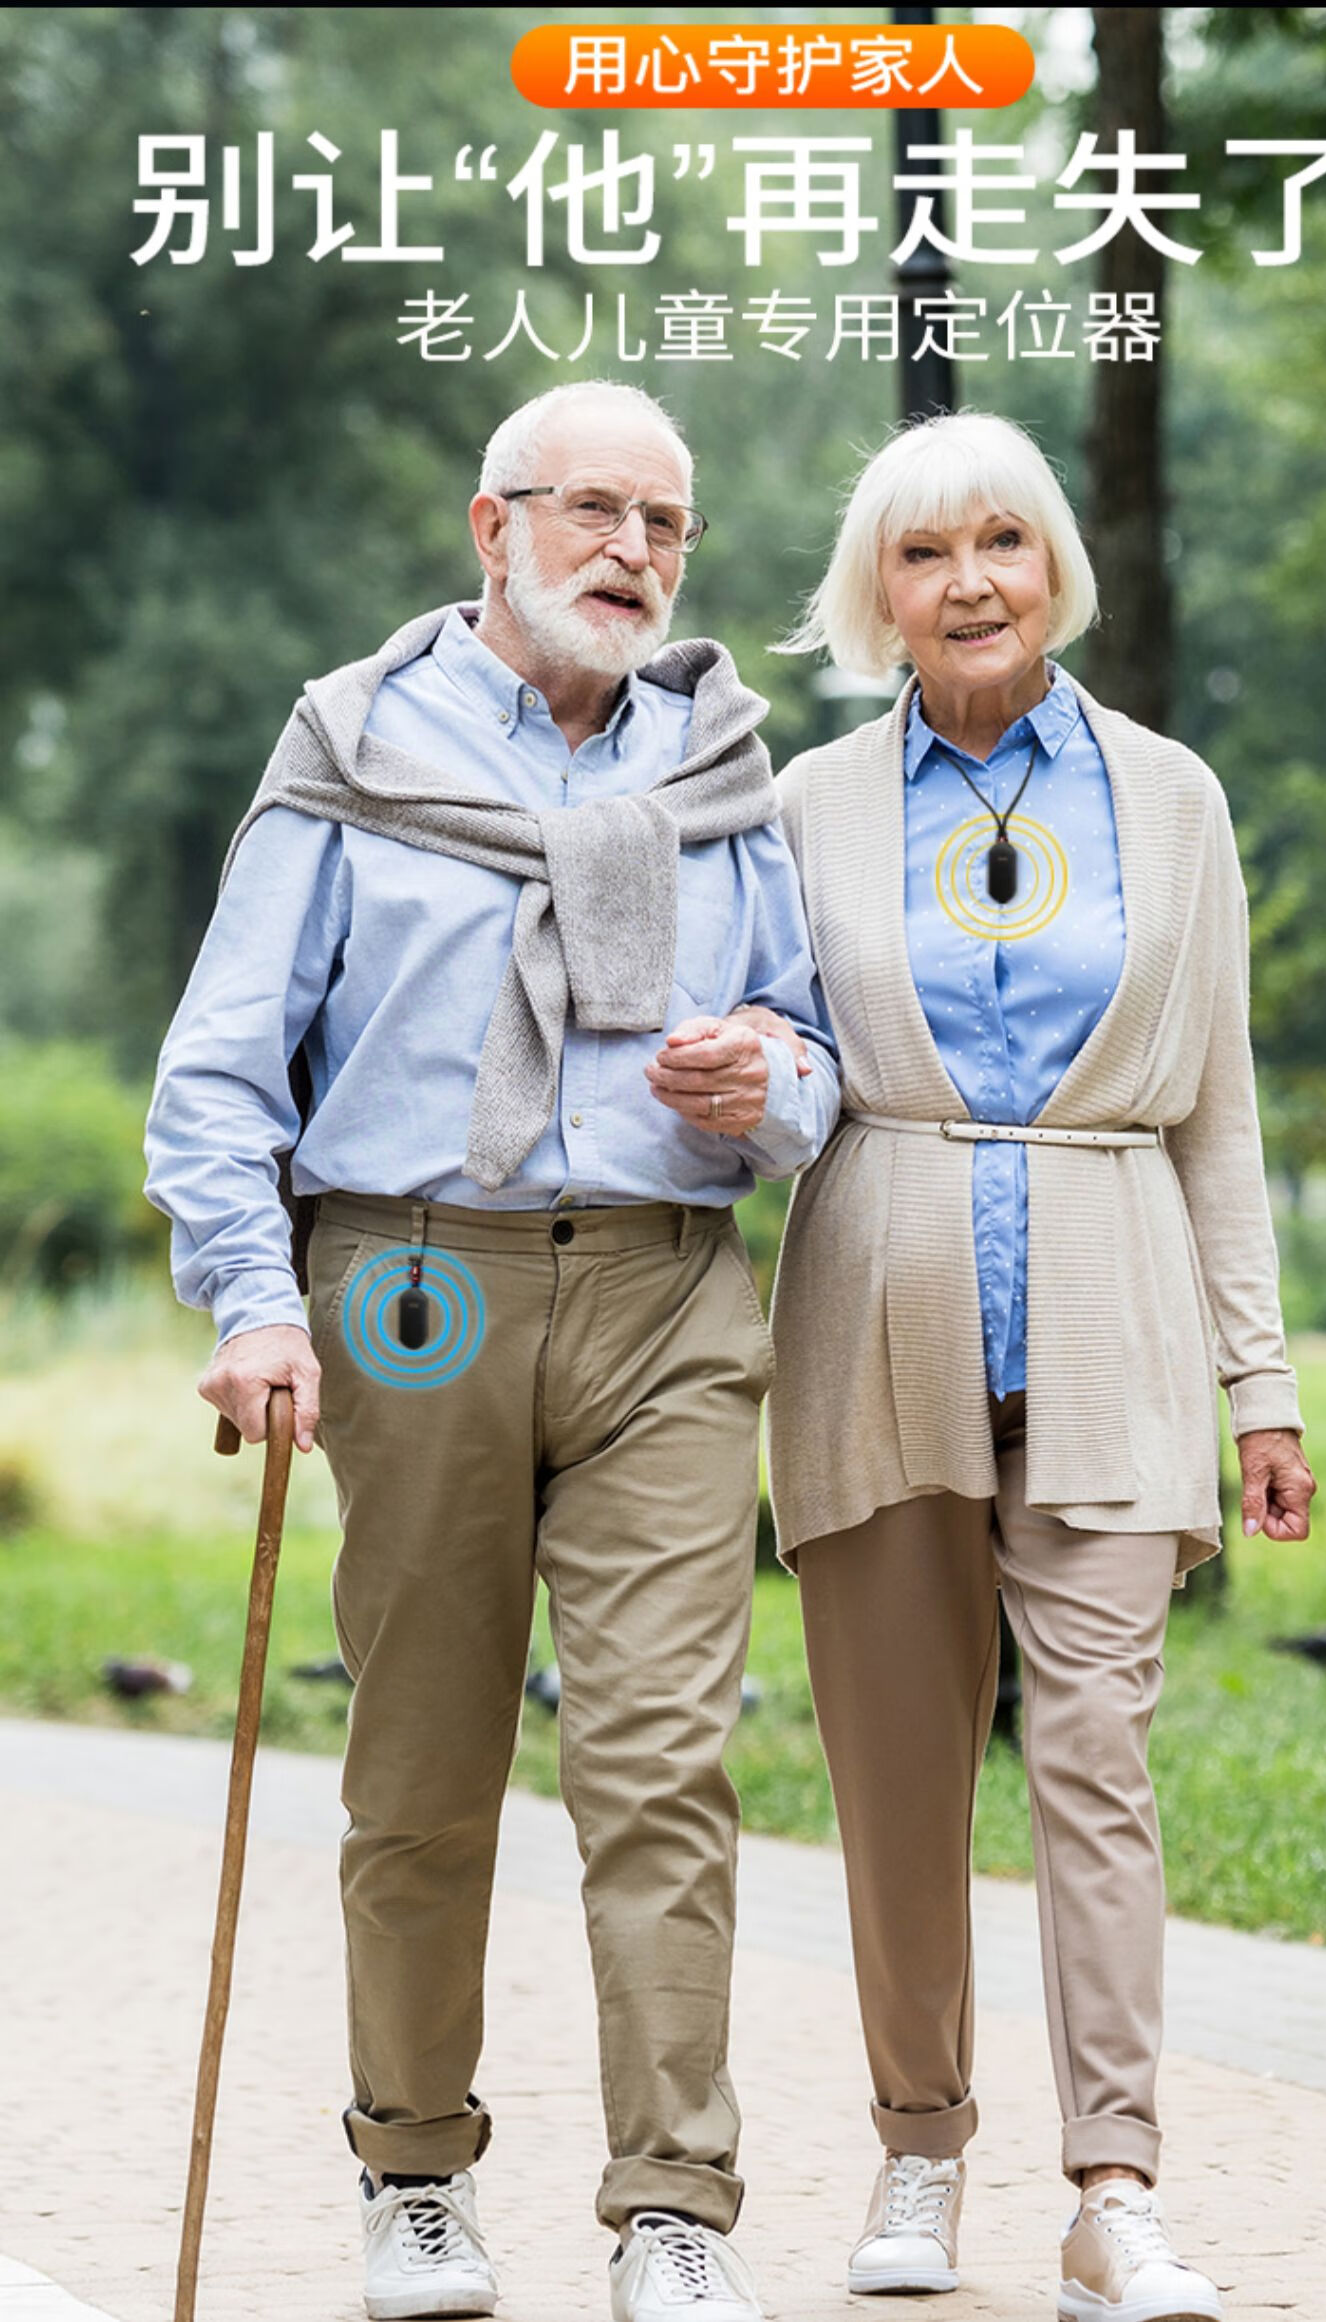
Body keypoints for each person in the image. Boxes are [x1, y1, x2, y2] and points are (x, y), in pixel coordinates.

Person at [144, 379, 840, 2322]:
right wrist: (254, 1300)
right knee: (427, 1763)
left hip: (665, 1288)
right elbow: (217, 1067)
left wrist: (767, 1078)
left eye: (667, 525)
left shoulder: (722, 766)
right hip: (408, 1285)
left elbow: (816, 1047)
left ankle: (675, 2209)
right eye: (593, 510)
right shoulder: (354, 745)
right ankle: (414, 2176)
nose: (632, 552)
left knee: (661, 1765)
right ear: (492, 526)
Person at [765, 411, 1316, 2322]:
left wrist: (1266, 1383)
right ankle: (920, 2150)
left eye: (1005, 539)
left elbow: (1220, 1115)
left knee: (1094, 1753)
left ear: (1056, 562)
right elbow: (773, 1059)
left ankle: (1114, 2190)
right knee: (900, 1771)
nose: (973, 581)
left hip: (1115, 1309)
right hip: (875, 1313)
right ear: (880, 597)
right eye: (928, 555)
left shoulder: (1173, 798)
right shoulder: (808, 803)